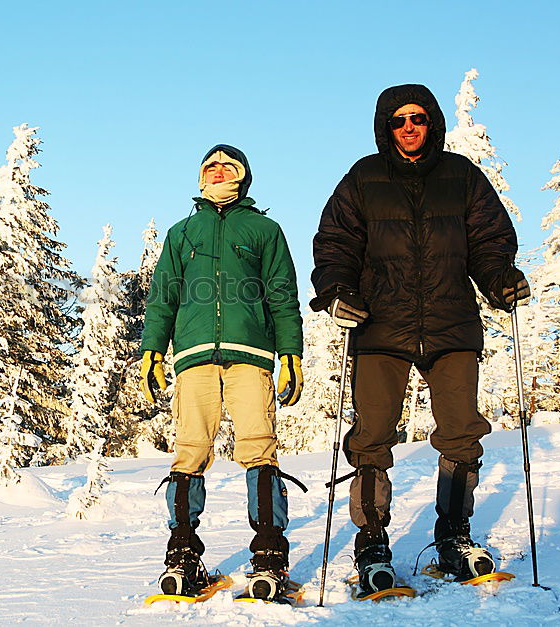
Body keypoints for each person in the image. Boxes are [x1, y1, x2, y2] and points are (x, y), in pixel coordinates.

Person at [311, 84, 530, 596]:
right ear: (384, 127)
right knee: (372, 438)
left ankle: (454, 538)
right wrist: (338, 291)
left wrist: (501, 279)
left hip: (451, 324)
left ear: (433, 122)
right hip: (380, 327)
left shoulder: (462, 177)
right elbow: (335, 242)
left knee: (460, 433)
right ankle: (371, 544)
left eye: (418, 118)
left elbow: (490, 242)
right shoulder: (363, 178)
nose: (408, 127)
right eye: (397, 120)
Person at [140, 144, 305, 601]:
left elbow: (282, 296)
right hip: (192, 356)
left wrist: (290, 352)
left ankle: (269, 555)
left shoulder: (264, 230)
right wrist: (152, 349)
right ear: (200, 177)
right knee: (189, 451)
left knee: (259, 447)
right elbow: (162, 298)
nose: (216, 172)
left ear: (242, 176)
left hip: (251, 355)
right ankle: (182, 556)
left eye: (226, 167)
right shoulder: (181, 233)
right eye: (209, 167)